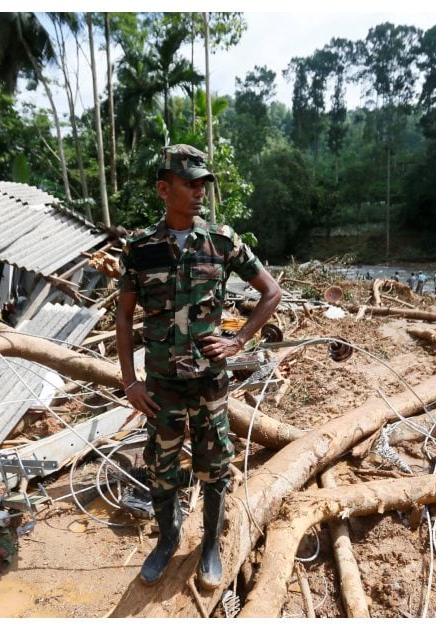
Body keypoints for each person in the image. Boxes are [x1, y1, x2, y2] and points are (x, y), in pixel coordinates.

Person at [116, 144, 281, 589]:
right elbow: (124, 316)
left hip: (210, 383)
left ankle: (209, 542)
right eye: (189, 184)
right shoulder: (140, 248)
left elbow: (271, 292)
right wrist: (130, 381)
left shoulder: (223, 241)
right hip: (162, 386)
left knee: (215, 465)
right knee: (161, 465)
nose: (199, 192)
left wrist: (239, 340)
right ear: (163, 189)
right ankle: (166, 539)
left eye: (202, 183)